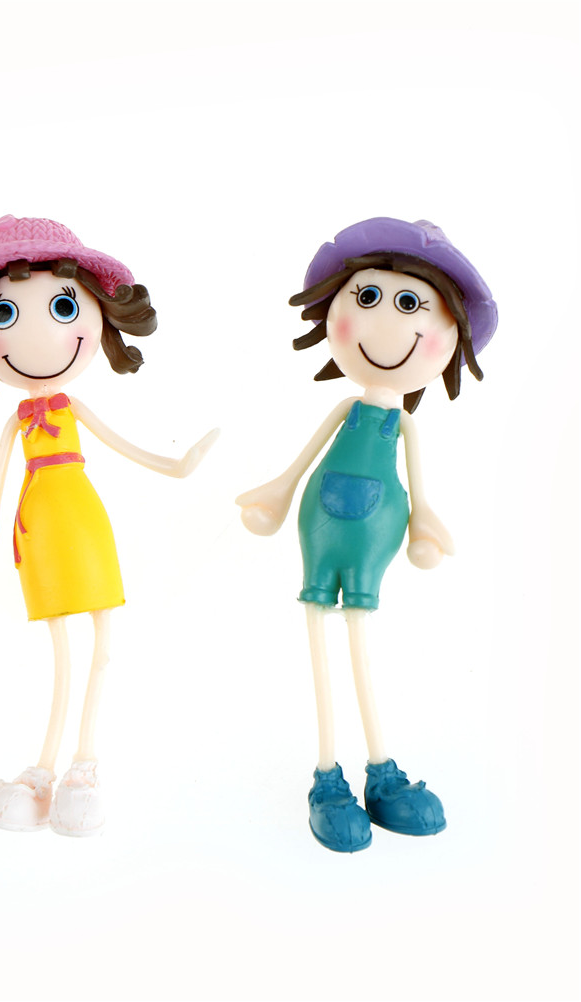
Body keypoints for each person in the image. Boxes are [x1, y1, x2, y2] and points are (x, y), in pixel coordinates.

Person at [0, 215, 218, 836]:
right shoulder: (19, 422)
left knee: (102, 642)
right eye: (4, 314)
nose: (37, 336)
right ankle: (41, 771)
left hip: (83, 522)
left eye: (63, 306)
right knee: (61, 650)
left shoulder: (70, 408)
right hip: (40, 529)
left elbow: (127, 447)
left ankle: (85, 765)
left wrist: (177, 464)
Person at [236, 217, 497, 852]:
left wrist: (425, 523)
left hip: (377, 532)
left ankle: (383, 774)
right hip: (319, 527)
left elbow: (420, 491)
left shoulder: (402, 425)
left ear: (451, 336)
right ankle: (327, 778)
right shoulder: (344, 410)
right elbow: (299, 464)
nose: (384, 321)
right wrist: (275, 495)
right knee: (319, 642)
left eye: (410, 305)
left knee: (357, 641)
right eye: (368, 297)